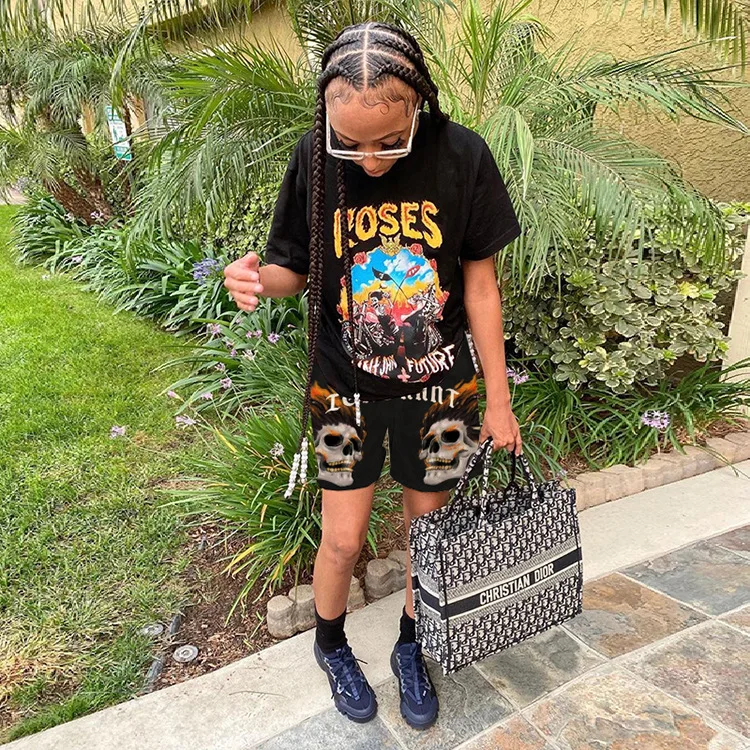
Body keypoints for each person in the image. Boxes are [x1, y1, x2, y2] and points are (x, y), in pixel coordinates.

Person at [223, 21, 523, 731]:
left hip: (441, 390)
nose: (369, 159)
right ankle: (331, 645)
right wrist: (255, 282)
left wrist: (500, 400)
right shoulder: (313, 157)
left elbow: (481, 288)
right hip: (343, 391)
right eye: (349, 141)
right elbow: (293, 269)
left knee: (430, 531)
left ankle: (411, 645)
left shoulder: (463, 156)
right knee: (343, 540)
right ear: (326, 119)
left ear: (419, 103)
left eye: (388, 140)